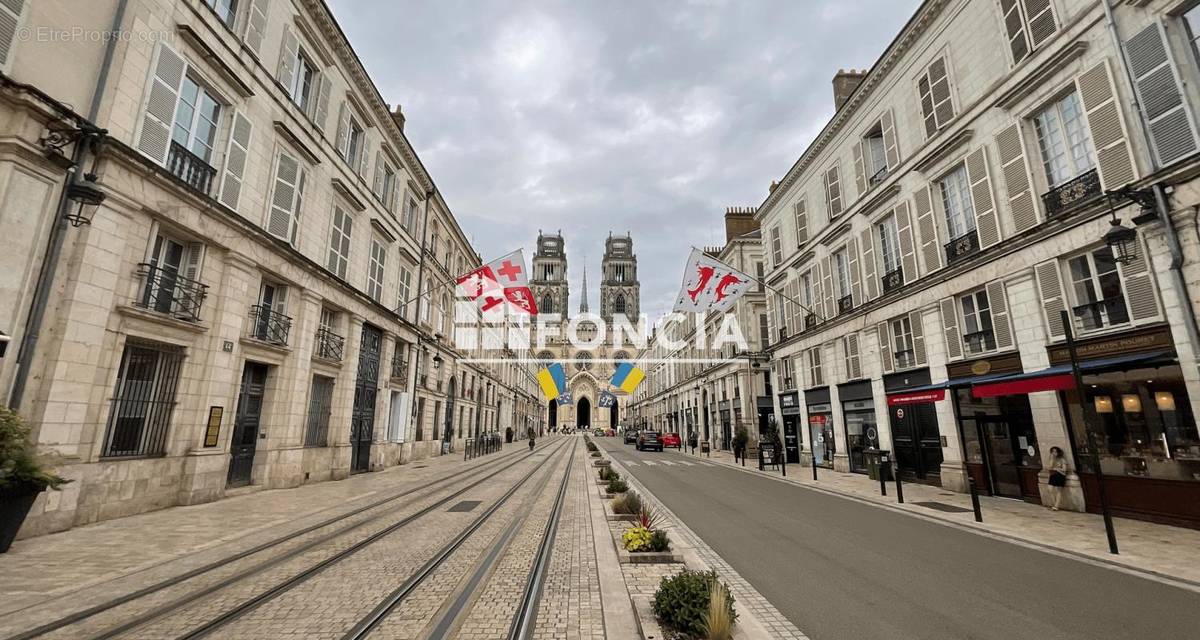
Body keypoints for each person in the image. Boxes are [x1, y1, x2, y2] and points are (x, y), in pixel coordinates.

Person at [1046, 446, 1068, 511]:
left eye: (1055, 451)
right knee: (1049, 489)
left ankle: (1056, 506)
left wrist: (1057, 469)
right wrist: (1052, 459)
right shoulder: (1052, 459)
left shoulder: (1062, 459)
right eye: (1052, 451)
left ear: (1058, 452)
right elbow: (1049, 468)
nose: (1054, 453)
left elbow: (1064, 469)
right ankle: (1054, 504)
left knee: (1059, 491)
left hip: (1060, 476)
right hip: (1053, 475)